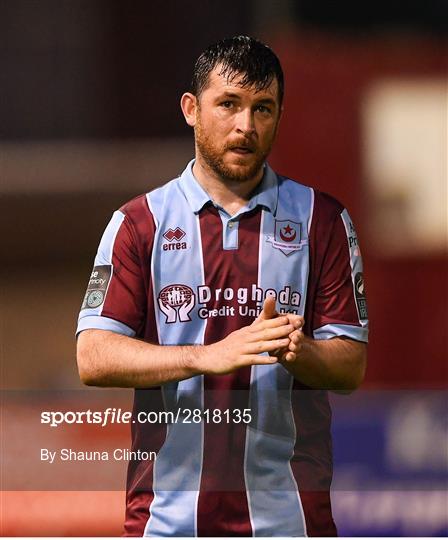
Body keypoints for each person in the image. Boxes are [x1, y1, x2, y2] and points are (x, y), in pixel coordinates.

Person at [76, 35, 368, 537]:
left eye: (263, 108)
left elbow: (351, 365)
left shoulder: (323, 221)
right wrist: (204, 355)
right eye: (228, 104)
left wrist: (300, 352)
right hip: (168, 523)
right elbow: (94, 356)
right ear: (191, 109)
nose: (245, 126)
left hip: (291, 522)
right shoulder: (139, 223)